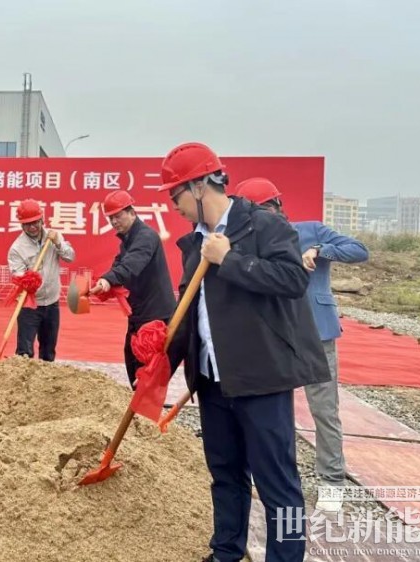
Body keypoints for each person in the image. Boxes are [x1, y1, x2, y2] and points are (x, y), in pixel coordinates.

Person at [160, 142, 330, 562]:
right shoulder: (193, 243)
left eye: (176, 195)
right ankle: (226, 552)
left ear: (199, 186)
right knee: (225, 475)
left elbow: (292, 280)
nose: (173, 206)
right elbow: (192, 311)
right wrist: (160, 354)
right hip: (213, 382)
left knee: (278, 483)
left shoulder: (264, 226)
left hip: (261, 379)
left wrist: (230, 259)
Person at [235, 177, 369, 512]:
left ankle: (332, 483)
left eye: (263, 211)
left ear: (277, 207)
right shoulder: (248, 243)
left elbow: (359, 250)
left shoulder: (311, 231)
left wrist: (320, 250)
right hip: (273, 339)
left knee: (324, 411)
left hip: (317, 335)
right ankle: (271, 477)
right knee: (269, 412)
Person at [89, 190, 175, 389]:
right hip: (139, 312)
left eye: (118, 216)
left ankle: (147, 406)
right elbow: (119, 264)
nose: (114, 221)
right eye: (110, 218)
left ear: (132, 212)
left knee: (146, 369)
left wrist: (108, 280)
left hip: (155, 315)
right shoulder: (129, 238)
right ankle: (138, 403)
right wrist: (103, 283)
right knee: (132, 359)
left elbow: (131, 265)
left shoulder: (145, 237)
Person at [7, 199, 75, 361]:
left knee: (48, 351)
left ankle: (46, 375)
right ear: (21, 225)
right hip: (29, 305)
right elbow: (18, 276)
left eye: (35, 222)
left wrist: (58, 243)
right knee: (24, 352)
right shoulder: (17, 248)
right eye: (27, 224)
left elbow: (70, 256)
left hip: (52, 303)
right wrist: (28, 280)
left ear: (42, 219)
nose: (32, 227)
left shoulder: (54, 236)